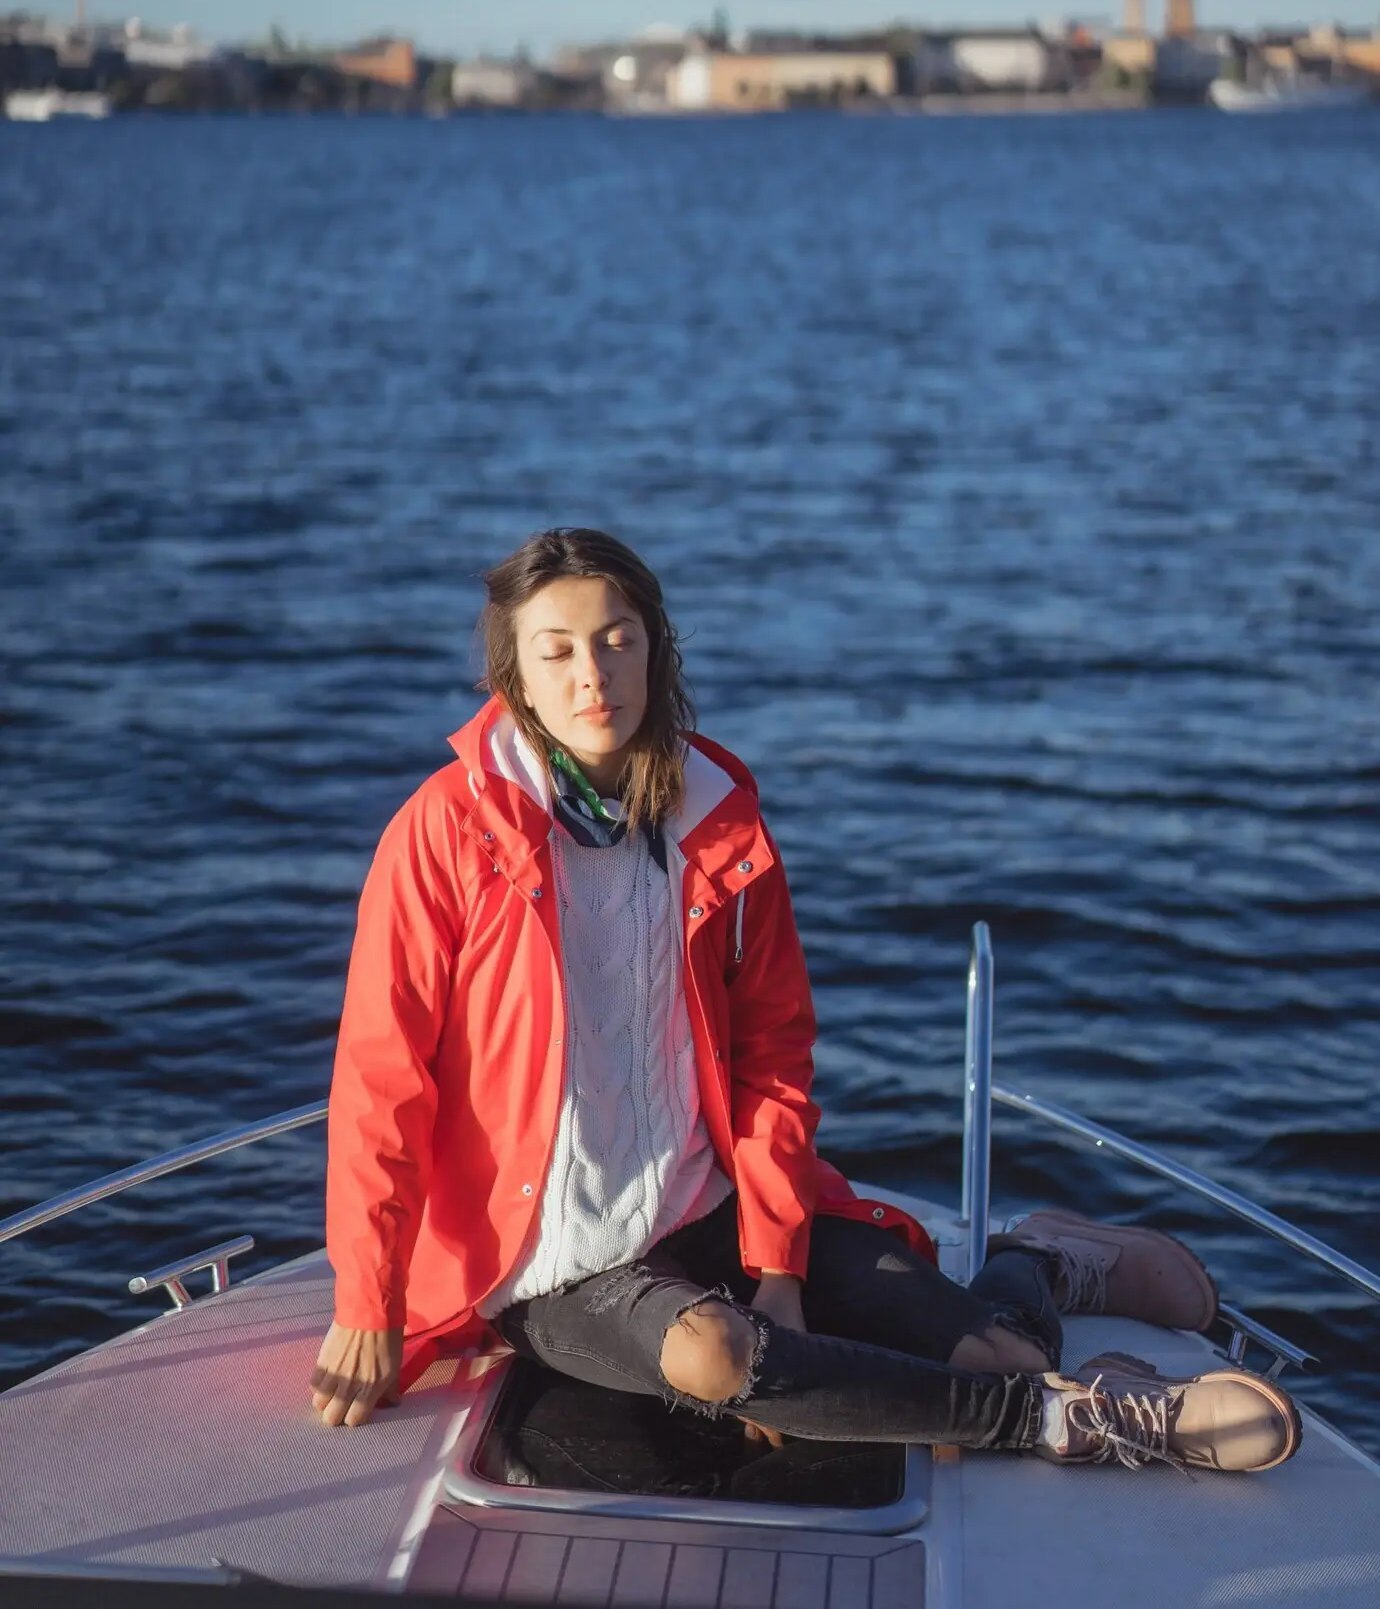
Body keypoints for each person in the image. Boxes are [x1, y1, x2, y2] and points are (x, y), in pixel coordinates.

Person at [311, 529, 1300, 1475]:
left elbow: (773, 1057)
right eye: (556, 650)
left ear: (656, 648)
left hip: (708, 1203)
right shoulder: (443, 833)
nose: (591, 676)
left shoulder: (714, 815)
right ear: (513, 675)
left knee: (982, 1355)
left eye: (618, 642)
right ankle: (1067, 1422)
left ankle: (1038, 1265)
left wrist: (778, 1270)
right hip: (553, 1260)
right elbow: (381, 1079)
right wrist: (368, 1298)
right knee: (718, 1359)